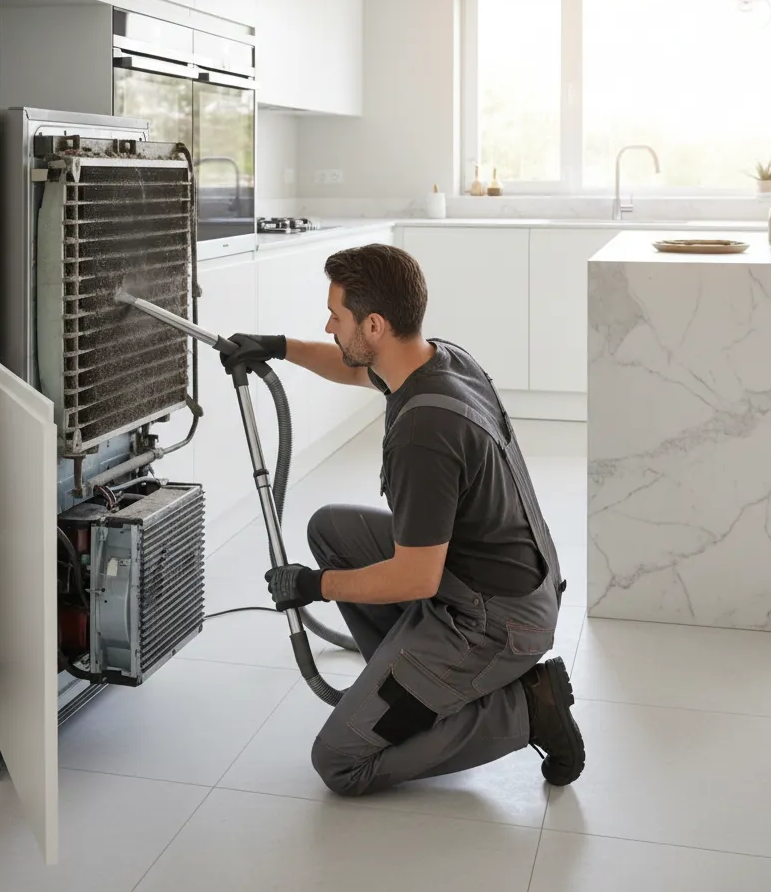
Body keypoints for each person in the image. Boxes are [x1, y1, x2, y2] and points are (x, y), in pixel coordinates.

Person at [219, 243, 584, 797]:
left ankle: (528, 707)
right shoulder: (438, 359)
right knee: (330, 530)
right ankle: (407, 681)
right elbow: (357, 372)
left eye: (336, 317)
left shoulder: (424, 432)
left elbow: (417, 580)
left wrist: (313, 586)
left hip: (496, 622)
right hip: (492, 580)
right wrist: (279, 347)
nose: (328, 325)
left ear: (373, 324)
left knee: (341, 762)